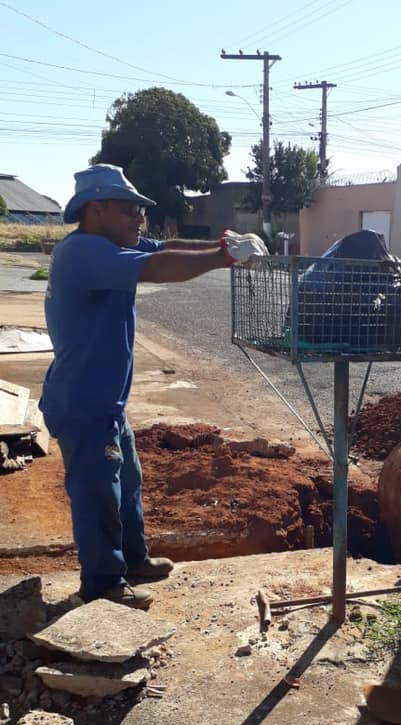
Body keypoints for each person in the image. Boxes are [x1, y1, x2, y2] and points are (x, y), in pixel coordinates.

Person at [40, 164, 267, 610]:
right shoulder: (85, 252)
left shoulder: (111, 244)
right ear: (97, 209)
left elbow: (168, 247)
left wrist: (223, 244)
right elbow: (160, 266)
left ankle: (135, 559)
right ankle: (103, 583)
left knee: (128, 482)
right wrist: (225, 258)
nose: (139, 218)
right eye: (129, 209)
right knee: (98, 494)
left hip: (105, 403)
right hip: (83, 406)